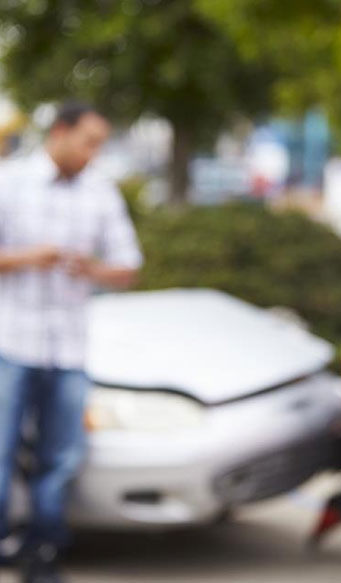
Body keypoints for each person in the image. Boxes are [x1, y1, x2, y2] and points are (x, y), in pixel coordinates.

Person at [0, 102, 142, 583]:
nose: (93, 154)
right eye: (89, 142)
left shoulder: (100, 192)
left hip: (70, 348)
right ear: (60, 133)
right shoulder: (10, 181)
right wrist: (26, 259)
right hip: (11, 341)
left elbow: (128, 265)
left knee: (61, 456)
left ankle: (43, 550)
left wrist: (92, 269)